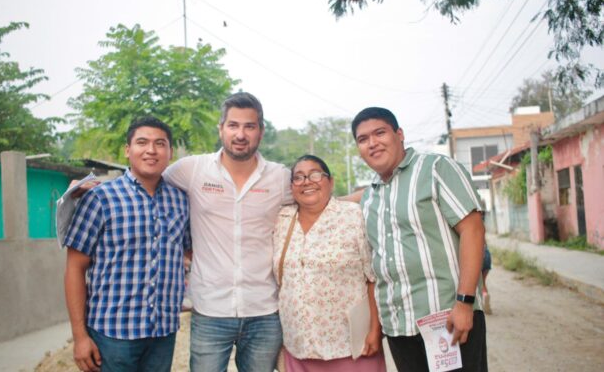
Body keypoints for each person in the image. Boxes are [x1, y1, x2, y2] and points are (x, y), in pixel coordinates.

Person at [162, 92, 292, 372]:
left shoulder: (280, 177)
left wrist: (363, 196)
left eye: (249, 126)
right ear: (221, 129)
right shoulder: (192, 169)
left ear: (261, 131)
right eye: (233, 125)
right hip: (210, 310)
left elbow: (316, 200)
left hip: (265, 311)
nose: (241, 134)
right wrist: (87, 187)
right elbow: (144, 180)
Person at [351, 107, 488, 372]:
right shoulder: (370, 197)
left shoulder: (436, 168)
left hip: (447, 318)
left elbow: (473, 231)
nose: (372, 143)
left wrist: (464, 303)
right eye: (363, 139)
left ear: (399, 134)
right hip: (399, 327)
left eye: (380, 133)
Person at [63, 116, 190, 372]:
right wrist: (79, 337)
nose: (151, 150)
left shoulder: (181, 200)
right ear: (127, 150)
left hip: (162, 333)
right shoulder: (100, 198)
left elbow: (188, 252)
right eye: (142, 142)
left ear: (170, 152)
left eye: (160, 143)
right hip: (112, 335)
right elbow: (74, 269)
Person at [273, 155, 386, 372]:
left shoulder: (353, 216)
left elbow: (372, 277)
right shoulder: (282, 219)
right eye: (298, 177)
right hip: (299, 345)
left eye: (315, 174)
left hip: (351, 346)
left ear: (330, 182)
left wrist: (374, 329)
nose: (307, 181)